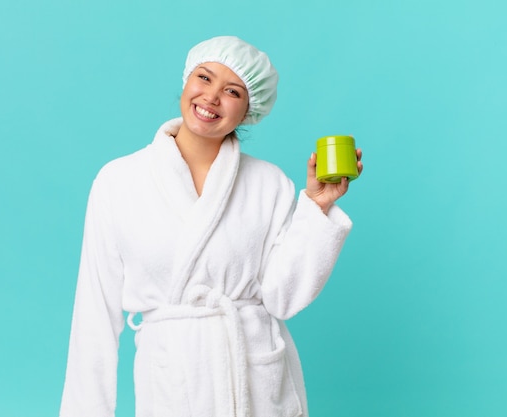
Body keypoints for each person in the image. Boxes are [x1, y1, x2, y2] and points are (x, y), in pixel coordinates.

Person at [59, 35, 363, 417]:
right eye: (204, 78)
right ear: (187, 81)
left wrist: (317, 208)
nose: (212, 97)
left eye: (232, 90)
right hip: (173, 383)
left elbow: (282, 299)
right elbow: (94, 315)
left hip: (255, 381)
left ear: (250, 110)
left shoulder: (269, 183)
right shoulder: (118, 181)